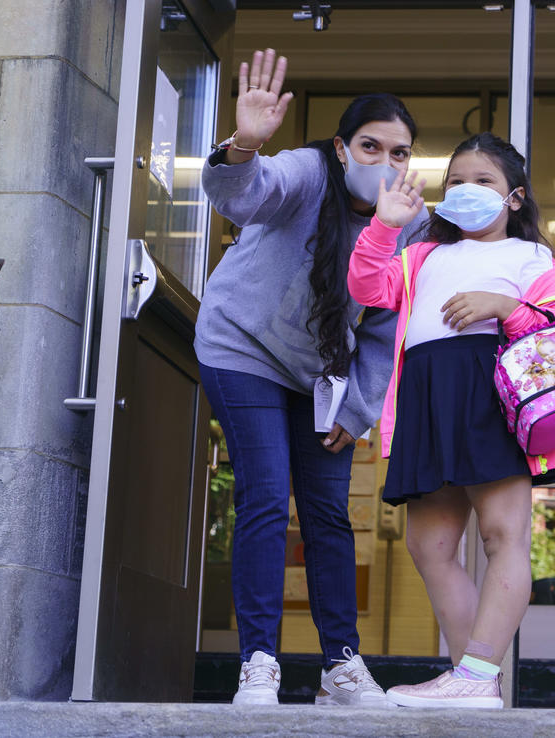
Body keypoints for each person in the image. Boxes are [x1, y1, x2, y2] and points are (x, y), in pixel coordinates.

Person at [195, 49, 428, 706]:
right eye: (371, 145)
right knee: (268, 495)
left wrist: (356, 408)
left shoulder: (410, 223)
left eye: (401, 151)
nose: (386, 161)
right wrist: (245, 144)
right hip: (241, 347)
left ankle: (341, 666)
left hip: (321, 376)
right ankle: (260, 661)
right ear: (341, 147)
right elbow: (244, 196)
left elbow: (385, 329)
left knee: (328, 512)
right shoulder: (305, 171)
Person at [347, 132, 555, 708]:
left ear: (515, 198)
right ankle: (472, 679)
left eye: (483, 181)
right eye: (456, 182)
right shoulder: (421, 254)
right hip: (426, 398)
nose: (467, 190)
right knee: (430, 545)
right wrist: (385, 225)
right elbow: (367, 288)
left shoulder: (533, 258)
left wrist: (504, 308)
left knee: (504, 537)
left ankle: (474, 675)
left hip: (492, 395)